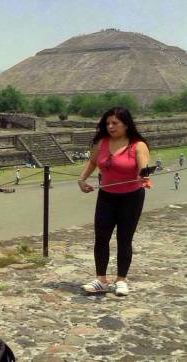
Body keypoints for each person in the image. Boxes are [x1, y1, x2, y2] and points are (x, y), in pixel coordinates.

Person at [77, 107, 150, 296]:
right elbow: (93, 162)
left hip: (131, 198)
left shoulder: (138, 145)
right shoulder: (102, 143)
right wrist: (82, 179)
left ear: (126, 124)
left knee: (124, 239)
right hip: (106, 196)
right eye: (108, 123)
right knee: (101, 238)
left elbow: (143, 167)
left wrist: (144, 176)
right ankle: (101, 280)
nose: (110, 126)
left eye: (115, 123)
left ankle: (121, 280)